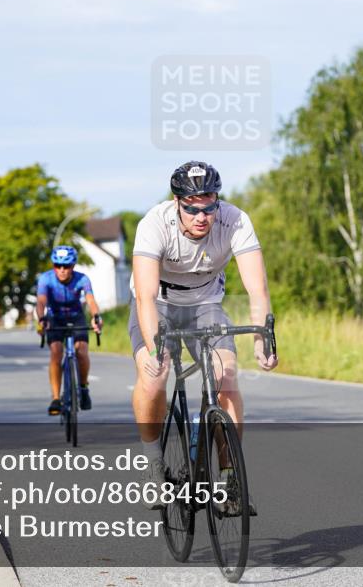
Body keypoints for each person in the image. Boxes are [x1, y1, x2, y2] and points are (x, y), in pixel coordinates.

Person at [129, 161, 278, 511]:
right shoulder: (154, 223)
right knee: (155, 374)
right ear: (177, 203)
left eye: (209, 208)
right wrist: (154, 349)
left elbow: (257, 289)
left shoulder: (235, 220)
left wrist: (262, 339)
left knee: (226, 375)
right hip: (159, 304)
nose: (201, 217)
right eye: (192, 209)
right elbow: (146, 297)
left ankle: (229, 478)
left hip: (205, 303)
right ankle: (153, 465)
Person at [35, 245, 103, 415]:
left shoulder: (82, 279)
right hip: (54, 317)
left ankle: (84, 387)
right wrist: (41, 319)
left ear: (73, 266)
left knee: (81, 351)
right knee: (56, 352)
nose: (62, 270)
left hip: (76, 316)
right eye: (58, 265)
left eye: (66, 266)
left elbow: (90, 300)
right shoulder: (46, 279)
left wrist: (96, 317)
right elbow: (41, 301)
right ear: (53, 265)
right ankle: (56, 398)